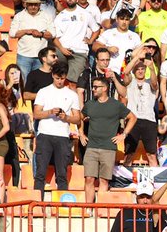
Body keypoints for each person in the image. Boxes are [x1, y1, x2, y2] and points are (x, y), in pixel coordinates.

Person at [80, 76, 136, 205]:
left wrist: (124, 134)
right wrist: (81, 133)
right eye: (93, 87)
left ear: (105, 88)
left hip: (108, 148)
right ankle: (88, 208)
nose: (93, 89)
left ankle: (100, 208)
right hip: (91, 147)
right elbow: (79, 118)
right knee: (89, 179)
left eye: (96, 87)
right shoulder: (89, 104)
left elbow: (132, 118)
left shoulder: (116, 105)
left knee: (104, 180)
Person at [31, 62, 81, 199]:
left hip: (62, 136)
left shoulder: (72, 94)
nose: (60, 81)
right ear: (52, 75)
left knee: (62, 175)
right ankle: (37, 205)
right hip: (45, 135)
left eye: (62, 78)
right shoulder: (43, 91)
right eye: (57, 78)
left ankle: (61, 206)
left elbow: (77, 119)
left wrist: (66, 117)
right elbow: (36, 114)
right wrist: (50, 112)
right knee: (40, 173)